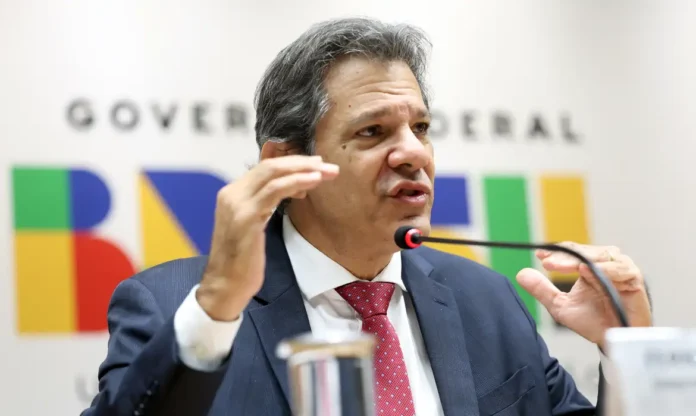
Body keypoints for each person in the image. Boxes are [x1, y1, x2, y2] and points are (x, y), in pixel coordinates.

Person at [82, 17, 652, 416]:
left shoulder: (487, 301)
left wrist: (628, 353)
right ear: (287, 165)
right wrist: (215, 310)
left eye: (420, 128)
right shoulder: (175, 306)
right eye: (373, 132)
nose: (413, 153)